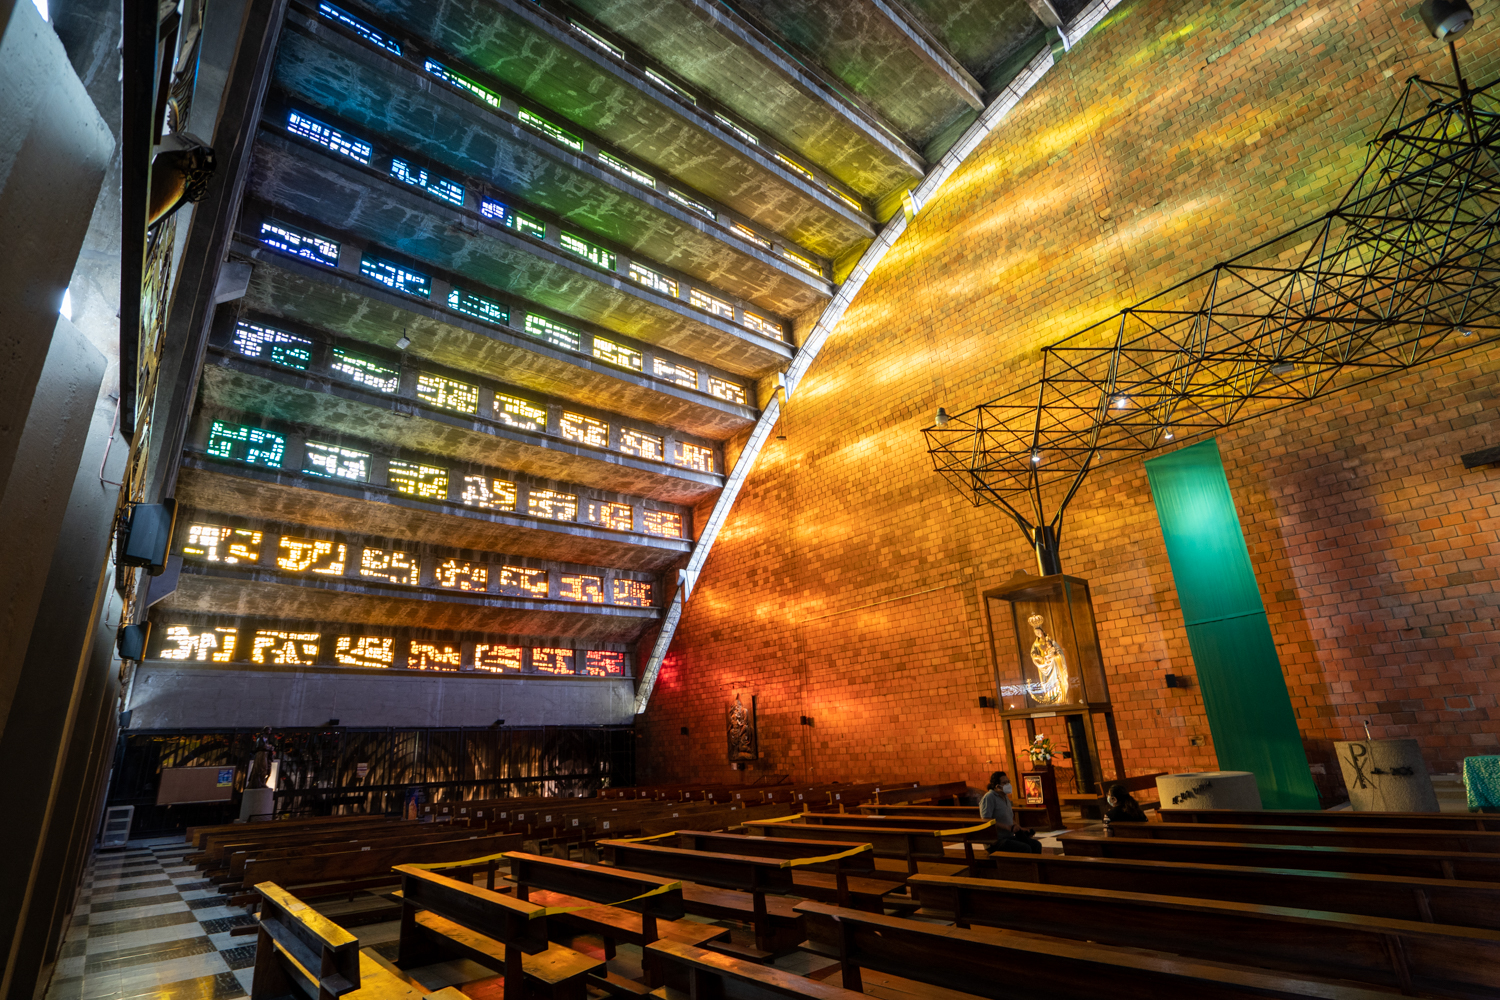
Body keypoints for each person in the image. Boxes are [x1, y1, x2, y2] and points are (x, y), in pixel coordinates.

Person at [980, 770, 1041, 853]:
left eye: (1008, 782)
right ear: (997, 786)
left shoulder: (1005, 797)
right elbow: (986, 820)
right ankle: (1024, 866)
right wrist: (1007, 827)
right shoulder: (989, 797)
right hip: (996, 840)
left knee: (1036, 845)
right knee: (1025, 848)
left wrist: (1021, 829)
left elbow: (1009, 818)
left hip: (1008, 836)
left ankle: (1036, 866)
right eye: (1004, 783)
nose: (1008, 785)